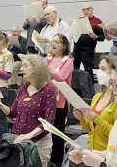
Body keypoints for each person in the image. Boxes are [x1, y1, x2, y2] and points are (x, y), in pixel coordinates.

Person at [0, 54, 57, 167]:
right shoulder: (23, 89)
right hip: (19, 139)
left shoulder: (49, 90)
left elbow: (49, 121)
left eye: (25, 66)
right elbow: (13, 113)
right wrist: (0, 104)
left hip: (38, 143)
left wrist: (29, 135)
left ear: (36, 68)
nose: (22, 69)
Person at [73, 55, 117, 151]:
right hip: (92, 152)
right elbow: (91, 131)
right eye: (99, 68)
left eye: (103, 69)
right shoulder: (97, 97)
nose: (99, 73)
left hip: (109, 154)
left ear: (114, 73)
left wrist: (96, 119)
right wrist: (81, 118)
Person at [45, 34, 73, 167]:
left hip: (60, 102)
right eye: (53, 41)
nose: (54, 44)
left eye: (57, 42)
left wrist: (46, 71)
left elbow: (61, 77)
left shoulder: (68, 60)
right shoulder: (48, 58)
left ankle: (56, 162)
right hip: (46, 100)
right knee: (45, 132)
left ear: (64, 46)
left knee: (57, 134)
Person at [73, 4, 105, 82]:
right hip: (77, 48)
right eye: (84, 10)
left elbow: (102, 37)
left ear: (92, 9)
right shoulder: (79, 20)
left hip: (88, 50)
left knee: (88, 69)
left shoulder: (97, 21)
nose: (86, 11)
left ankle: (90, 90)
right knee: (74, 68)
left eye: (87, 9)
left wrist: (95, 36)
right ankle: (76, 88)